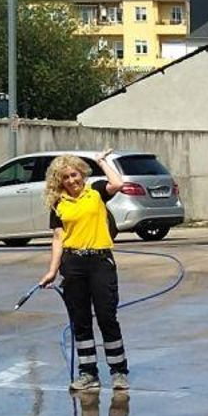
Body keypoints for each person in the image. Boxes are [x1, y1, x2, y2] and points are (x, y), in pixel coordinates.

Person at [39, 152, 130, 392]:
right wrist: (52, 270)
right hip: (73, 264)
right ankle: (88, 373)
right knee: (80, 321)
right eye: (65, 177)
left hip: (100, 261)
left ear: (82, 174)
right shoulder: (58, 204)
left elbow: (118, 184)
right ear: (59, 182)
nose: (71, 180)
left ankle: (119, 371)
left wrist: (102, 162)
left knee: (106, 317)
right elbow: (58, 239)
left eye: (74, 174)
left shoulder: (96, 192)